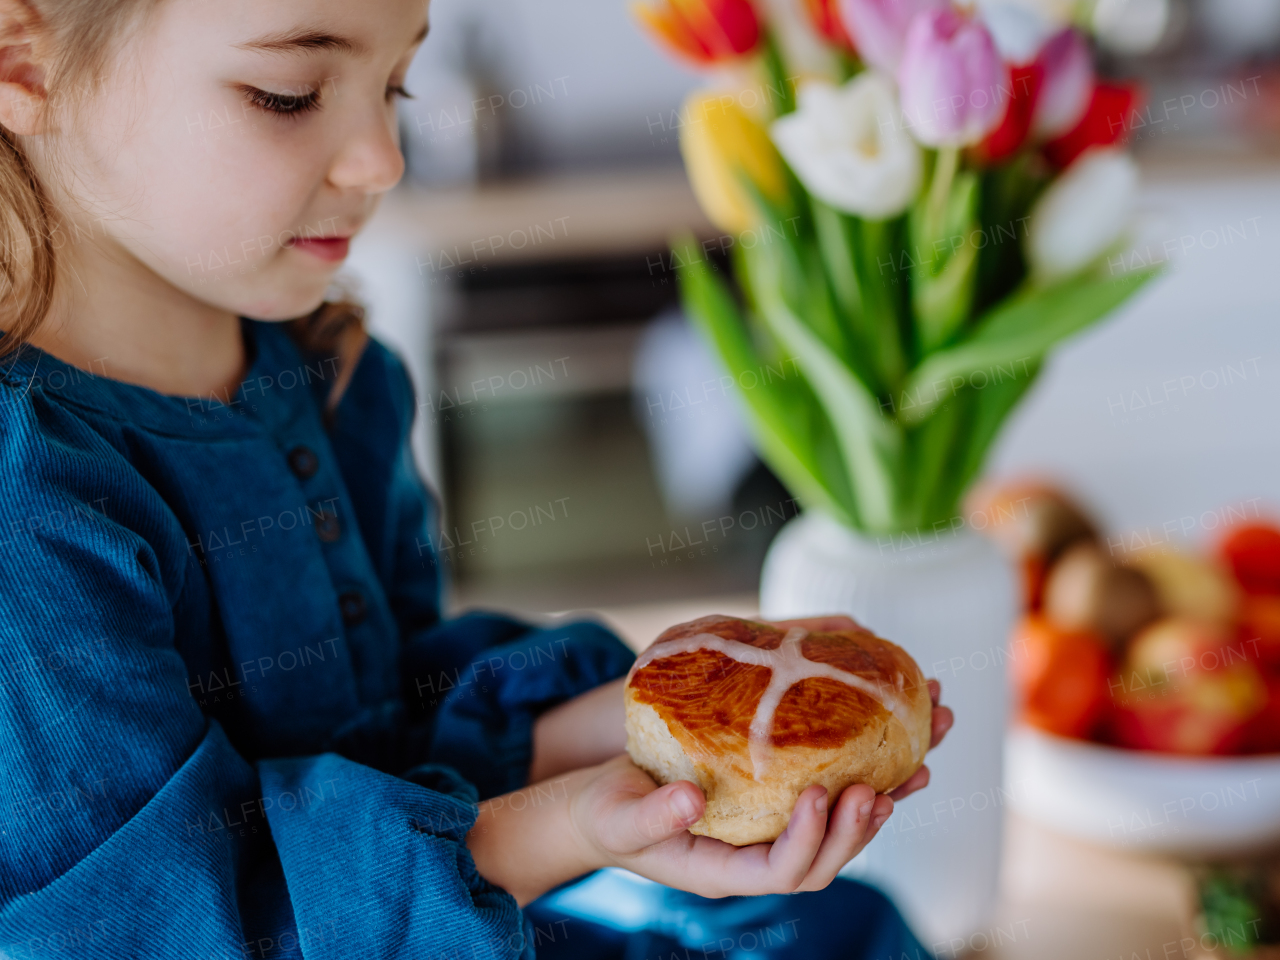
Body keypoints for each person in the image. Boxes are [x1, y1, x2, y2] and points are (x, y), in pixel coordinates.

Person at [0, 0, 954, 957]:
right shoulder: (29, 505)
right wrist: (569, 826)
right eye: (287, 95)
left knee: (847, 929)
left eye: (395, 85)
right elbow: (158, 927)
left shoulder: (327, 375)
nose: (383, 159)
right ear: (23, 66)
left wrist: (643, 726)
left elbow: (390, 723)